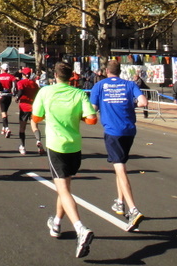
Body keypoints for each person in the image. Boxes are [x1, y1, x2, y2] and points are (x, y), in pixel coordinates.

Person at [33, 62, 97, 259]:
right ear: (71, 76)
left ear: (54, 75)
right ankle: (57, 223)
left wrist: (51, 116)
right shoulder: (78, 94)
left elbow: (35, 117)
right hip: (75, 147)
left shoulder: (45, 92)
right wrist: (77, 117)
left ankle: (80, 228)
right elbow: (92, 119)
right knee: (65, 187)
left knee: (62, 189)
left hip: (56, 146)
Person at [90, 59, 147, 232]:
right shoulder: (130, 85)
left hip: (112, 131)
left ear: (107, 71)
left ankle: (133, 208)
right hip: (129, 129)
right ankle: (120, 202)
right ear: (120, 71)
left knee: (120, 167)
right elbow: (143, 102)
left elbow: (92, 108)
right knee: (119, 163)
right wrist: (131, 103)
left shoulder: (99, 86)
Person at [16, 69, 43, 155]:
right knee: (34, 127)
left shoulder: (21, 82)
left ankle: (23, 146)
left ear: (23, 74)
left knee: (22, 128)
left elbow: (21, 91)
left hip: (24, 107)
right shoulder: (34, 83)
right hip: (33, 107)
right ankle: (38, 140)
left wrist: (17, 98)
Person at [0, 63, 17, 139]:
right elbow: (14, 87)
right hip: (9, 95)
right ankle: (3, 127)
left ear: (2, 69)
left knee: (3, 112)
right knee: (5, 111)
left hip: (1, 95)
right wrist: (13, 93)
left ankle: (6, 127)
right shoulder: (11, 77)